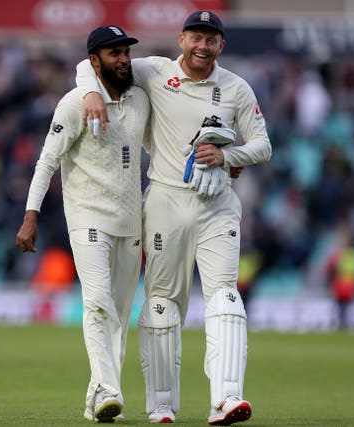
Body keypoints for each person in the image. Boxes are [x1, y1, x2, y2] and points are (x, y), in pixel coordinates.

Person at [76, 10, 272, 425]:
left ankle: (226, 399)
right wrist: (90, 91)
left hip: (217, 204)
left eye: (211, 39)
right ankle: (161, 405)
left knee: (226, 297)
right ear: (181, 39)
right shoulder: (153, 71)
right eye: (195, 37)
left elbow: (263, 146)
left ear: (221, 45)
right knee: (163, 305)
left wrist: (226, 155)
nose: (202, 46)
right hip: (165, 201)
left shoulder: (236, 88)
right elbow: (94, 61)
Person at [15, 25, 150, 423]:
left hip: (130, 222)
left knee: (121, 317)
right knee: (96, 304)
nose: (124, 59)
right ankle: (110, 390)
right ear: (94, 62)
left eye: (126, 52)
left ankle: (97, 397)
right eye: (114, 54)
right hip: (87, 217)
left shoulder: (140, 100)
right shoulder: (74, 104)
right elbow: (46, 162)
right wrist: (30, 216)